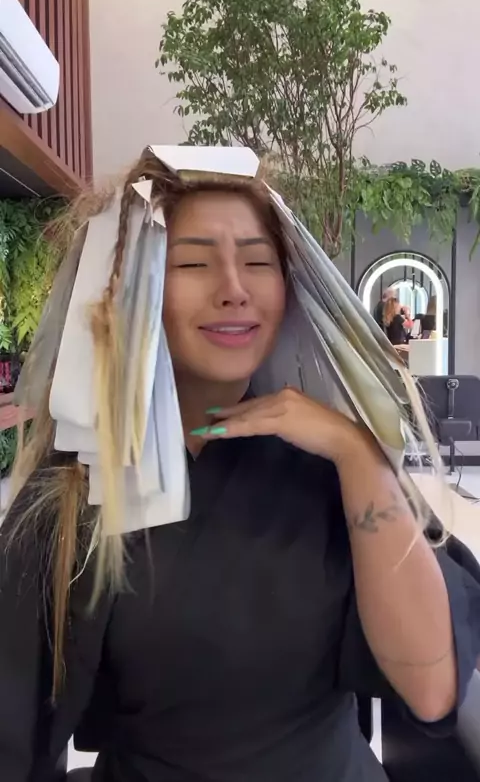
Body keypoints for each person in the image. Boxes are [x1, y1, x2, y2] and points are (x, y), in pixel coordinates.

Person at [1, 146, 480, 782]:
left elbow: (433, 690)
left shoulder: (329, 467)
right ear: (130, 291)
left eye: (257, 262)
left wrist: (358, 456)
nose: (233, 289)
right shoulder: (74, 490)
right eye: (193, 263)